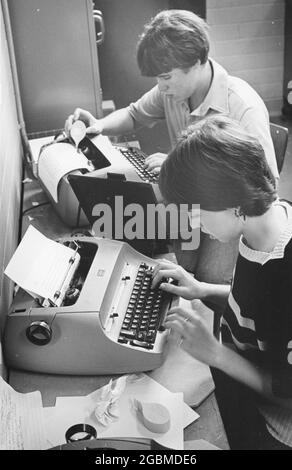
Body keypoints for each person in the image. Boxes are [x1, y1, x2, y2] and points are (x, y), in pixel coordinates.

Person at [65, 9, 278, 282]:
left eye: (166, 77)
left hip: (230, 211)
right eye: (157, 78)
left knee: (209, 274)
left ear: (198, 61)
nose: (160, 87)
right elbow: (133, 114)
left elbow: (265, 187)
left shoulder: (242, 107)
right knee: (152, 246)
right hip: (191, 203)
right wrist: (99, 125)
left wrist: (180, 169)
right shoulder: (175, 89)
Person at [151, 115, 292, 450]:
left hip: (275, 425)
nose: (194, 224)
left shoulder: (286, 273)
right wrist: (202, 290)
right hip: (243, 371)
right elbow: (258, 310)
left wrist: (216, 354)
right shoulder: (265, 225)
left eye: (196, 212)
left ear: (233, 202)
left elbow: (288, 396)